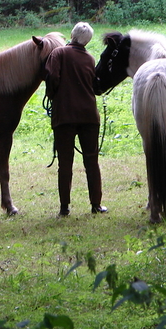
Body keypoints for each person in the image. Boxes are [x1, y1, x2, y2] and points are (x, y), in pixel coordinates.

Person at [44, 22, 107, 217]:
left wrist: (53, 95)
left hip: (64, 116)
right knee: (91, 161)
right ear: (87, 41)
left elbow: (52, 77)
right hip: (89, 115)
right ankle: (96, 204)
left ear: (72, 35)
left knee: (65, 163)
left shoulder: (58, 54)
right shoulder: (90, 58)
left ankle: (64, 208)